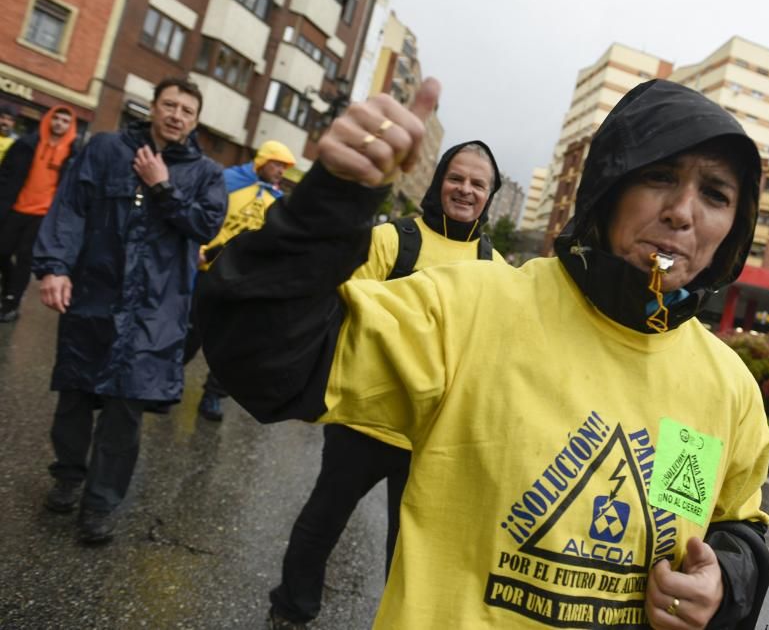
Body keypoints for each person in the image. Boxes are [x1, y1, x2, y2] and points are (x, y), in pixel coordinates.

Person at [199, 78, 769, 629]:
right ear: (609, 187)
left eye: (715, 194)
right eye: (658, 176)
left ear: (733, 229)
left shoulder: (727, 386)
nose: (683, 211)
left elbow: (735, 522)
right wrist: (331, 202)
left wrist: (724, 585)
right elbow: (266, 360)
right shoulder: (475, 307)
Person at [267, 139, 506, 628]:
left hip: (432, 440)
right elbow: (343, 312)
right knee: (322, 521)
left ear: (490, 195)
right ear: (439, 181)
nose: (465, 190)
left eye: (478, 184)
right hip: (363, 422)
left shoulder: (499, 271)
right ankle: (291, 609)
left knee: (409, 549)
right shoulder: (393, 240)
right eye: (456, 178)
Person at [32, 76, 227, 544]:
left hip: (156, 309)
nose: (177, 115)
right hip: (95, 294)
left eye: (187, 110)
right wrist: (55, 267)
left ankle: (99, 504)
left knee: (125, 410)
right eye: (170, 104)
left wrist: (163, 188)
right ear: (153, 107)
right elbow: (71, 208)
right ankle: (68, 476)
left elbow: (205, 224)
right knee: (76, 393)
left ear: (196, 121)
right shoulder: (105, 150)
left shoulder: (205, 173)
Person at [187, 139, 297, 422]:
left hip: (246, 281)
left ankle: (213, 395)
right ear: (261, 163)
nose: (280, 171)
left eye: (284, 167)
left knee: (234, 343)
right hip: (207, 270)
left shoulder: (278, 203)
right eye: (276, 164)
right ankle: (169, 379)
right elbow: (206, 217)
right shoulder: (228, 184)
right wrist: (199, 250)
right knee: (190, 330)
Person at [0, 105, 78, 322]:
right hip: (16, 207)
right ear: (48, 120)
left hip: (43, 215)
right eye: (56, 119)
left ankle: (11, 302)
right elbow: (5, 173)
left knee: (26, 258)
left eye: (65, 121)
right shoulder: (26, 145)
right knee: (3, 252)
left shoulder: (72, 155)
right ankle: (7, 288)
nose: (59, 124)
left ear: (70, 127)